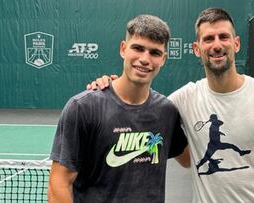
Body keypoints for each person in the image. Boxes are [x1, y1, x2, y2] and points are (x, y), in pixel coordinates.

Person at [87, 8, 254, 203]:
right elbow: (183, 156)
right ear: (197, 48)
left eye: (223, 37)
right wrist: (109, 85)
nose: (217, 45)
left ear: (235, 44)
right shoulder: (182, 99)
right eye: (208, 39)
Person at [48, 14, 190, 203]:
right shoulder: (83, 107)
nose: (145, 59)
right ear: (123, 49)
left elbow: (189, 160)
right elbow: (59, 184)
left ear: (163, 59)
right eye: (138, 48)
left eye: (154, 53)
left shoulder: (166, 111)